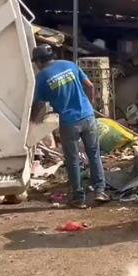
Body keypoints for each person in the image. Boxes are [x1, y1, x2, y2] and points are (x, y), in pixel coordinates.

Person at [30, 44, 109, 208]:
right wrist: (89, 104)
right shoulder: (70, 65)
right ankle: (100, 191)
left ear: (39, 61)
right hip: (88, 117)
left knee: (72, 160)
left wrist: (32, 121)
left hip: (69, 122)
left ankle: (79, 198)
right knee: (94, 155)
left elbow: (38, 103)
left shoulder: (43, 76)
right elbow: (90, 86)